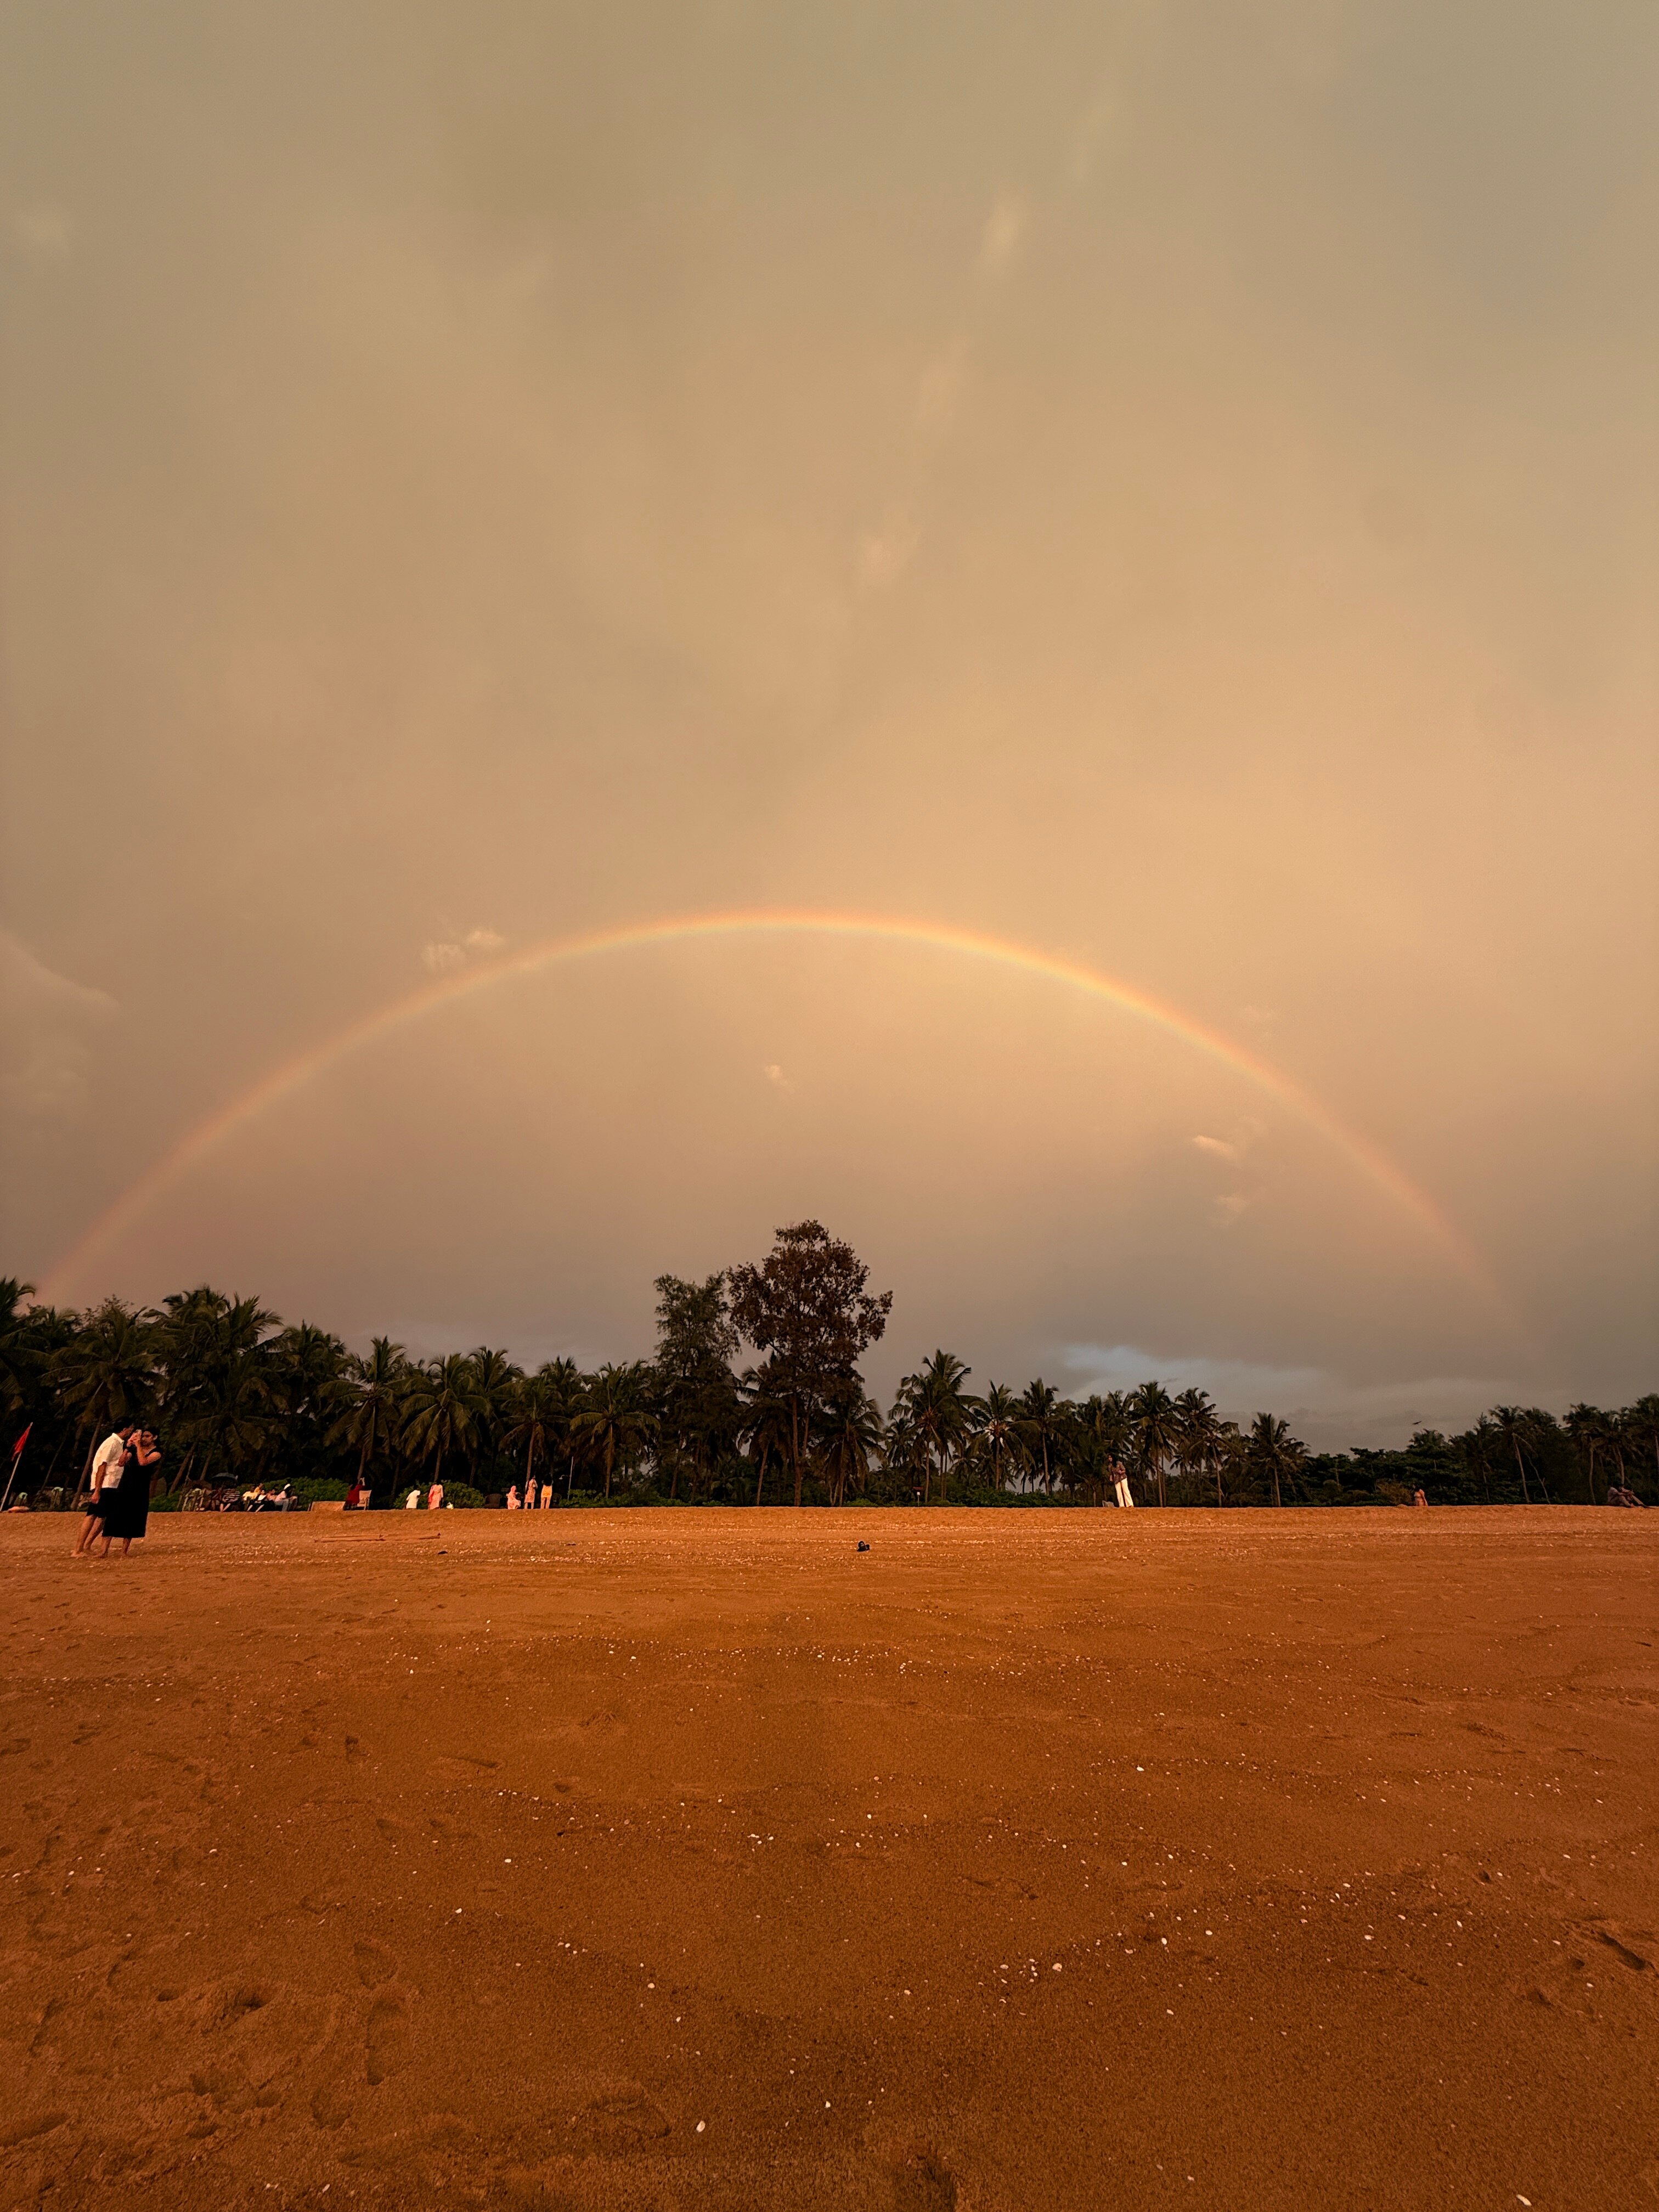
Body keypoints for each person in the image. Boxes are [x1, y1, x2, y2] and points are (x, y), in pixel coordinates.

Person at [94, 1430, 162, 1559]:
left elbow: (143, 1462)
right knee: (113, 1517)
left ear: (154, 1437)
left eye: (147, 1436)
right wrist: (127, 1448)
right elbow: (121, 1463)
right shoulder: (134, 1449)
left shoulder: (157, 1452)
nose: (144, 1439)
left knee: (133, 1518)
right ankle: (104, 1551)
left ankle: (124, 1551)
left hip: (140, 1489)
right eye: (143, 1436)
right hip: (125, 1485)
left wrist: (138, 1446)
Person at [74, 1425, 136, 1558]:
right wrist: (97, 1490)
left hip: (111, 1485)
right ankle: (78, 1549)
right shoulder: (112, 1443)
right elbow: (102, 1466)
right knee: (92, 1515)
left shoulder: (120, 1444)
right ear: (124, 1429)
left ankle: (86, 1546)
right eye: (130, 1429)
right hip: (105, 1485)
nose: (131, 1432)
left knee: (103, 1517)